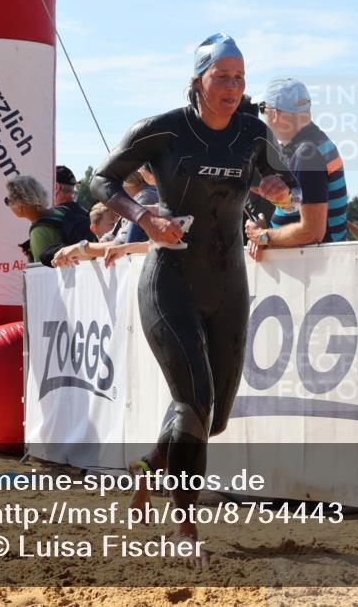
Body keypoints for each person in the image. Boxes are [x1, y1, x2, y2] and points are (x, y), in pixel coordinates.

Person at [90, 33, 299, 567]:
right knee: (194, 401)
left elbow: (284, 179)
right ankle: (185, 528)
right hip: (170, 283)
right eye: (222, 77)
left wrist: (278, 188)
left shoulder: (252, 132)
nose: (233, 87)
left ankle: (147, 468)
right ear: (198, 81)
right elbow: (102, 181)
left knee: (213, 418)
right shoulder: (163, 130)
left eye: (240, 78)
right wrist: (143, 217)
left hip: (228, 284)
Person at [245, 78, 349, 261]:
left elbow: (312, 232)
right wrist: (265, 231)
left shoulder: (306, 154)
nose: (261, 117)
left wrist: (262, 236)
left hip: (316, 266)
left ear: (275, 114)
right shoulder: (313, 144)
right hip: (315, 262)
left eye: (262, 109)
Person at [5, 176, 64, 266]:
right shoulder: (59, 212)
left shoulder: (38, 232)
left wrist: (31, 258)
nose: (9, 205)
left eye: (8, 201)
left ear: (19, 205)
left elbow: (41, 271)